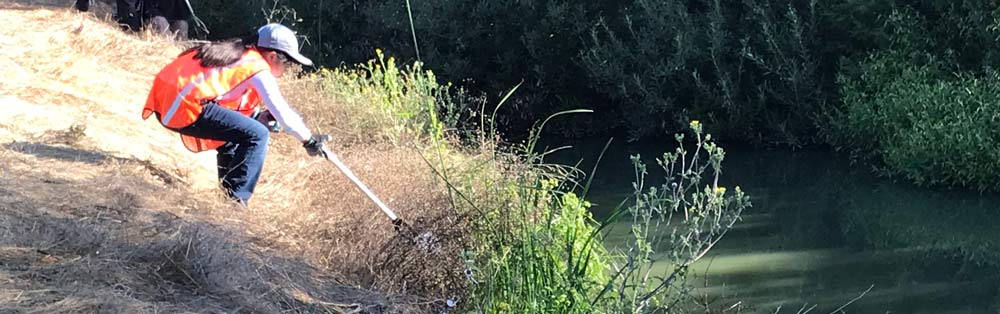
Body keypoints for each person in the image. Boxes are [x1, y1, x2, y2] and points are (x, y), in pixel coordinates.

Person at [142, 23, 330, 205]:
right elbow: (282, 113)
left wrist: (256, 117)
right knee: (258, 134)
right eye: (288, 62)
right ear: (272, 56)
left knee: (239, 134)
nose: (288, 68)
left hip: (165, 103)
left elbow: (222, 97)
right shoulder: (258, 68)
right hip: (183, 108)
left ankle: (227, 196)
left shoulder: (236, 54)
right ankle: (236, 203)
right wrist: (309, 140)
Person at [116, 0, 191, 40]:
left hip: (169, 10)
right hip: (145, 13)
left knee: (181, 25)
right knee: (161, 25)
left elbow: (181, 16)